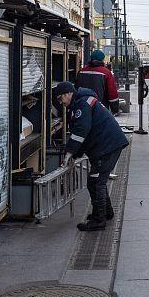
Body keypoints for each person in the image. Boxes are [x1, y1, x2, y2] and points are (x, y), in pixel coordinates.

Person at [54, 81, 129, 231]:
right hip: (106, 145)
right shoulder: (80, 102)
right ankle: (105, 213)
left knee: (96, 182)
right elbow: (83, 133)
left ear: (68, 94)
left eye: (61, 99)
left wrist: (69, 153)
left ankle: (98, 220)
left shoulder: (81, 104)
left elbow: (81, 130)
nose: (61, 103)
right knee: (95, 181)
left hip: (107, 146)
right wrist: (76, 152)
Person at [76, 49, 120, 114]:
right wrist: (115, 109)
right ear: (102, 59)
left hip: (82, 107)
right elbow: (112, 93)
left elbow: (77, 88)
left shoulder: (81, 71)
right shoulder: (106, 73)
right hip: (100, 108)